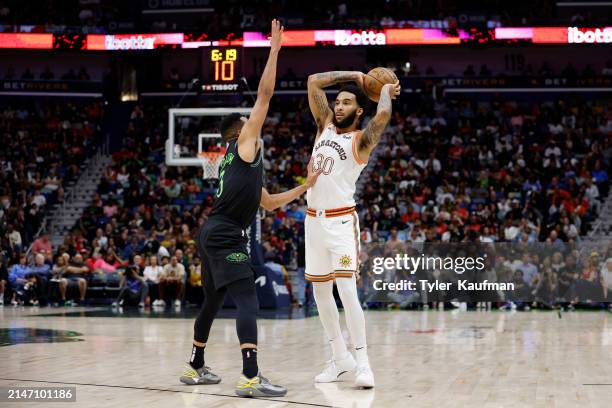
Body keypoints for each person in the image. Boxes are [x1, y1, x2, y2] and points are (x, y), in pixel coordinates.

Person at [180, 20, 321, 398]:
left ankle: (195, 366)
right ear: (237, 132)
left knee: (213, 299)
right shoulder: (244, 143)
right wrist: (274, 51)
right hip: (225, 233)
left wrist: (305, 187)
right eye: (247, 123)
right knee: (247, 298)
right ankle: (250, 376)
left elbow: (270, 202)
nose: (253, 123)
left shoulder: (236, 161)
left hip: (211, 231)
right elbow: (264, 95)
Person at [305, 68, 401, 388]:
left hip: (341, 222)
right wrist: (356, 76)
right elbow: (313, 81)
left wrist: (383, 92)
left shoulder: (360, 141)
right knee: (320, 293)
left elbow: (382, 116)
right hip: (312, 221)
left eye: (347, 102)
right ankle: (338, 357)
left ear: (359, 110)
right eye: (337, 102)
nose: (339, 106)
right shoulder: (324, 127)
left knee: (346, 291)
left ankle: (363, 362)